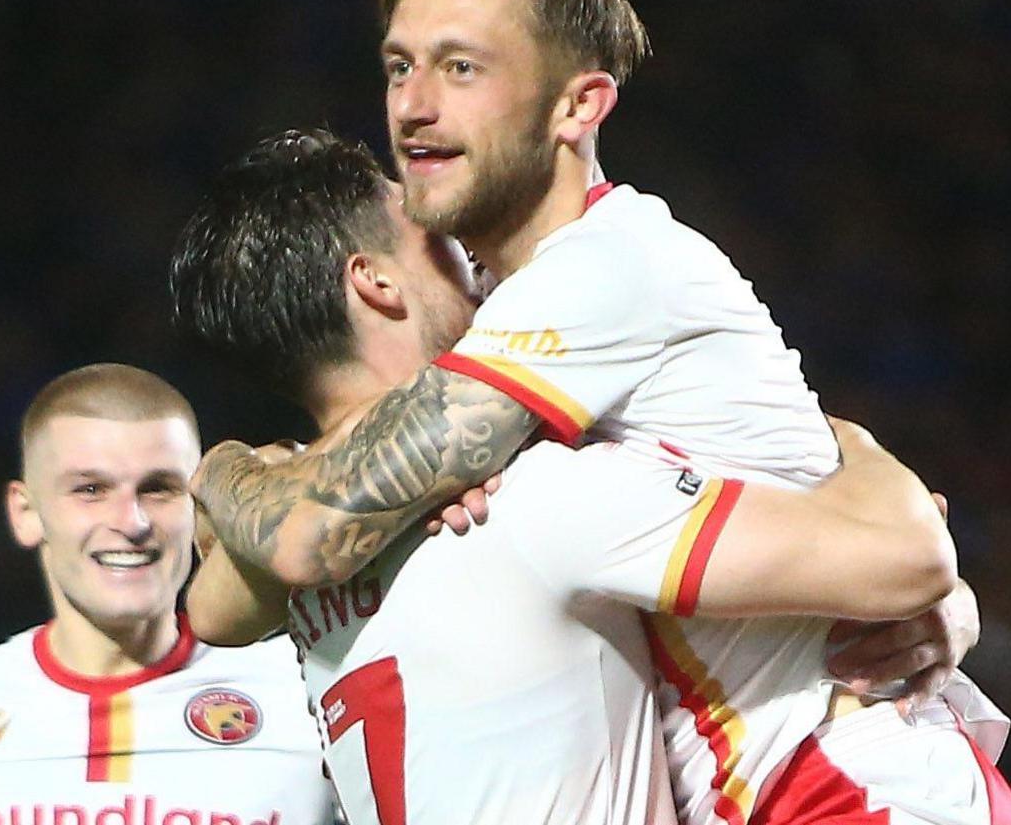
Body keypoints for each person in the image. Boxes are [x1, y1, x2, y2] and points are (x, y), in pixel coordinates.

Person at [190, 0, 1011, 825]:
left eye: (461, 67)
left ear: (577, 105)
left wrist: (221, 469)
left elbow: (308, 533)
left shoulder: (602, 268)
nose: (412, 105)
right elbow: (226, 600)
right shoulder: (515, 331)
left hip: (847, 782)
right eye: (399, 65)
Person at [171, 129, 965, 825]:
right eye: (435, 234)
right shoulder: (524, 499)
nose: (471, 246)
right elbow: (897, 554)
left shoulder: (277, 568)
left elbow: (208, 607)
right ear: (375, 281)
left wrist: (224, 468)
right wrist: (852, 445)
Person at [0, 364, 335, 825]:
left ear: (199, 508)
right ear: (26, 513)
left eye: (158, 488)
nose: (131, 522)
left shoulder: (308, 695)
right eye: (90, 490)